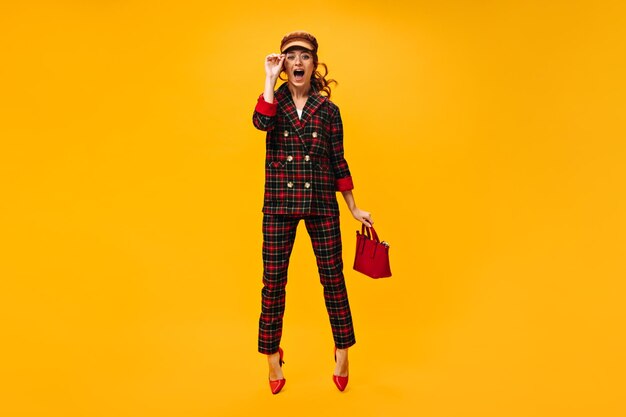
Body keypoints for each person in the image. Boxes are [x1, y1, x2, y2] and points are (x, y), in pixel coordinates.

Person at [252, 31, 373, 394]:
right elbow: (261, 124)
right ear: (284, 64)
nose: (298, 61)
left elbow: (339, 160)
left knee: (333, 281)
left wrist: (353, 207)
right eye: (291, 55)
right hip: (278, 204)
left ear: (313, 63)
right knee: (273, 284)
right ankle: (272, 358)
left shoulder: (329, 111)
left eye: (304, 55)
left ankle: (342, 351)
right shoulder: (271, 101)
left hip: (321, 203)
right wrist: (269, 80)